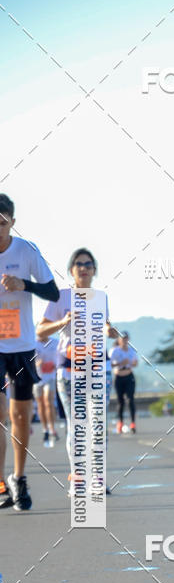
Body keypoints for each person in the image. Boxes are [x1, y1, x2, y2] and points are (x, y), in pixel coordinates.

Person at [37, 248, 118, 495]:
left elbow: (104, 326)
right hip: (70, 371)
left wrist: (109, 332)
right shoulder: (60, 297)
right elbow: (40, 332)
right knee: (76, 425)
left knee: (98, 425)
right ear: (71, 269)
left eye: (88, 264)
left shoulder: (100, 297)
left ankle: (98, 479)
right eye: (79, 264)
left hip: (98, 369)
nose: (83, 268)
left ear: (94, 270)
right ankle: (78, 479)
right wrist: (63, 322)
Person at [0, 194, 59, 510]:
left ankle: (18, 478)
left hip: (21, 346)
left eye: (1, 222)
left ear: (12, 222)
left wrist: (25, 285)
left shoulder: (26, 251)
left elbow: (51, 290)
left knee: (20, 416)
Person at [33, 332, 60, 445]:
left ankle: (52, 428)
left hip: (51, 376)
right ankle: (45, 430)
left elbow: (61, 357)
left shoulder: (55, 342)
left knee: (48, 402)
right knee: (41, 404)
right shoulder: (32, 344)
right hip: (37, 378)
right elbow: (27, 362)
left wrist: (55, 365)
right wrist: (37, 364)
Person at [110, 331, 138, 434]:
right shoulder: (114, 351)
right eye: (122, 338)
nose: (124, 340)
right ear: (119, 340)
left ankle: (133, 423)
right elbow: (110, 364)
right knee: (120, 401)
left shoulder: (131, 351)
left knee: (130, 400)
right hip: (119, 376)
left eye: (126, 338)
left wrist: (132, 363)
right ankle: (120, 422)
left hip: (129, 376)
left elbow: (135, 363)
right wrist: (121, 363)